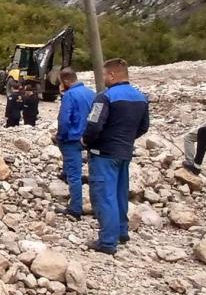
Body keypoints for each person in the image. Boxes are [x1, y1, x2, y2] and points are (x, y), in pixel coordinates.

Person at [83, 58, 149, 255]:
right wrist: (126, 139)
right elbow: (143, 127)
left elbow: (94, 125)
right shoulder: (141, 97)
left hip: (103, 153)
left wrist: (87, 141)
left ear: (112, 75)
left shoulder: (105, 97)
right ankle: (122, 231)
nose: (103, 79)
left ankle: (108, 241)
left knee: (105, 196)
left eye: (104, 75)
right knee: (120, 194)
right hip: (124, 152)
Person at [54, 69, 96, 220]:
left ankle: (75, 208)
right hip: (89, 138)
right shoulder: (92, 94)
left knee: (74, 176)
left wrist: (60, 136)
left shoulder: (69, 95)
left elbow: (64, 119)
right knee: (95, 174)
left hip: (72, 139)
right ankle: (97, 208)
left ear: (65, 81)